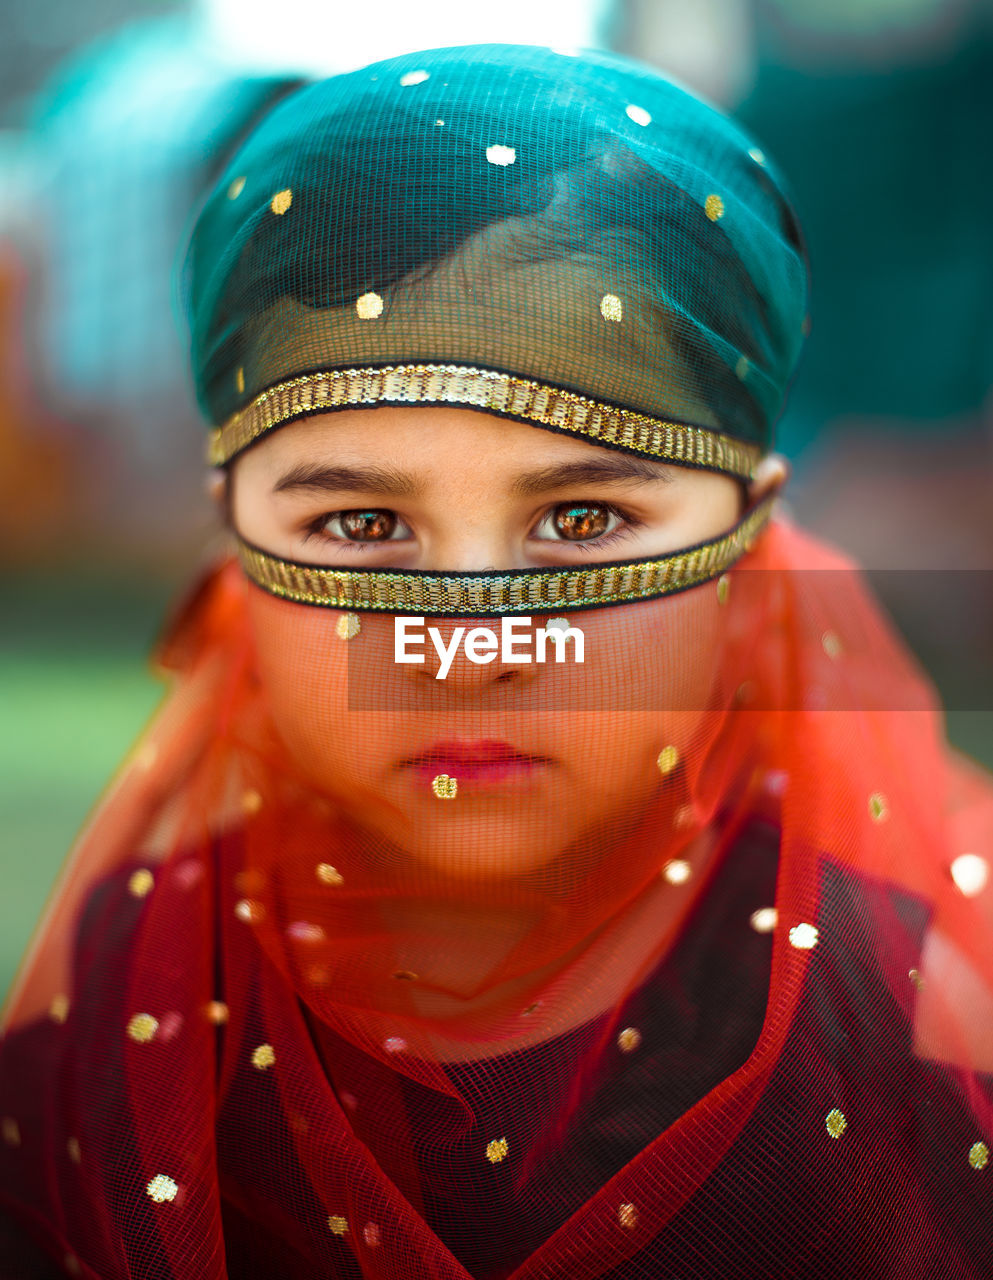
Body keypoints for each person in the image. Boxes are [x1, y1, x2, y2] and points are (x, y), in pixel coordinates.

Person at [1, 42, 992, 1279]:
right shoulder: (149, 970)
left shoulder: (902, 1003)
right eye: (362, 526)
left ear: (748, 547)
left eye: (581, 521)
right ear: (233, 549)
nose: (471, 651)